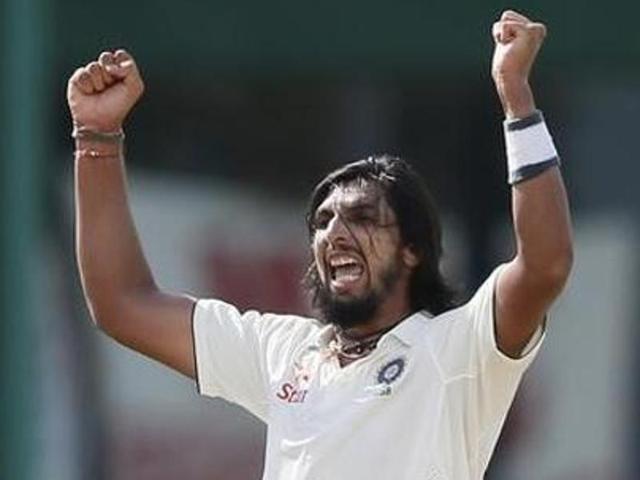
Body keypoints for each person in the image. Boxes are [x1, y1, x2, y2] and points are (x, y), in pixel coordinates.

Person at [68, 10, 573, 480]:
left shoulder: (455, 349)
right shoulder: (287, 352)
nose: (335, 233)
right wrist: (97, 136)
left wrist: (516, 97)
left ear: (412, 250)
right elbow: (122, 305)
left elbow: (545, 265)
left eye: (362, 218)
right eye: (323, 221)